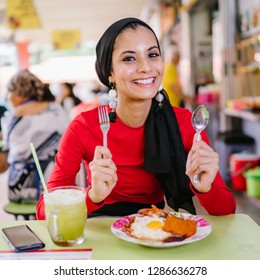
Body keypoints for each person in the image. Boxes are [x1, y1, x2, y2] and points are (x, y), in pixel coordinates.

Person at [36, 17, 236, 219]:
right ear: (110, 73)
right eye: (129, 58)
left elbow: (227, 210)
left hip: (154, 226)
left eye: (153, 55)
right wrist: (93, 196)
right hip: (99, 225)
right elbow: (45, 211)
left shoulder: (183, 123)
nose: (146, 67)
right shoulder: (84, 127)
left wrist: (206, 186)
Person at [0, 69, 68, 203]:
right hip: (59, 184)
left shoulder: (15, 116)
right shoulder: (57, 109)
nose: (8, 97)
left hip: (24, 189)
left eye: (10, 92)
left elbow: (8, 160)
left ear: (20, 93)